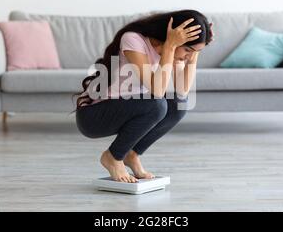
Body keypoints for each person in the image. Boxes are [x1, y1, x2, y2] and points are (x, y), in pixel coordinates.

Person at [74, 10, 214, 183]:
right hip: (94, 116)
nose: (189, 56)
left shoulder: (175, 52)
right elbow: (156, 91)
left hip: (127, 108)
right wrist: (170, 46)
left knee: (179, 104)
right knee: (157, 104)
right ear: (173, 37)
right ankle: (113, 157)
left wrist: (196, 50)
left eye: (194, 52)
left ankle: (131, 154)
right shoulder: (133, 39)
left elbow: (182, 90)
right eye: (188, 49)